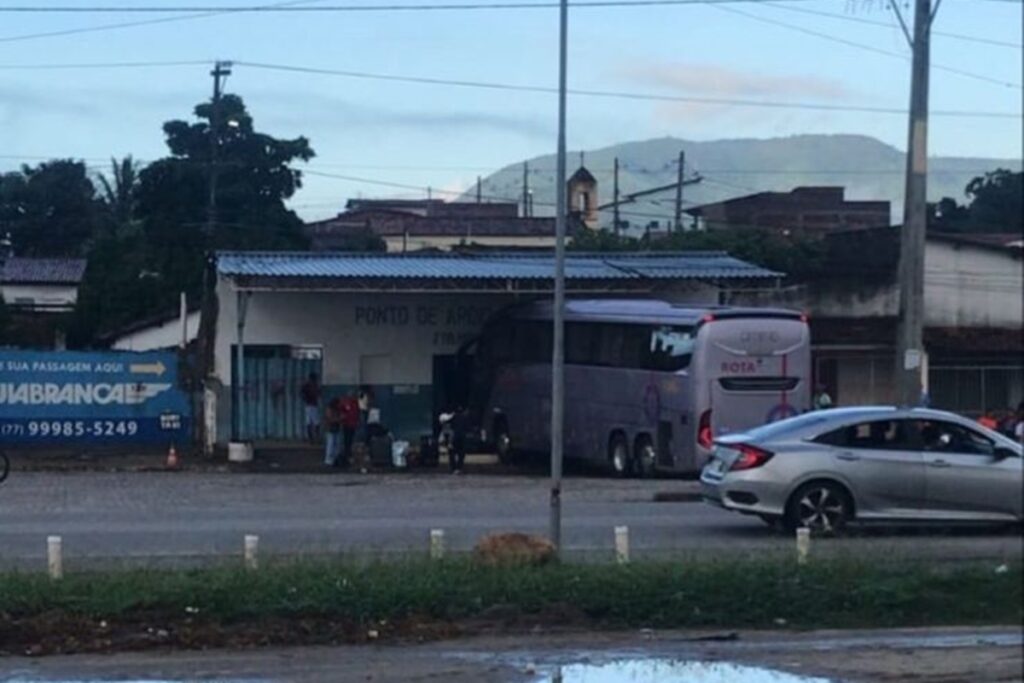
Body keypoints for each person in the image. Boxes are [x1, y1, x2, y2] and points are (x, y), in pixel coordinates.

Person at [339, 390, 360, 468]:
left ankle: (348, 455)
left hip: (352, 424)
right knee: (346, 440)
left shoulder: (355, 403)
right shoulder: (345, 402)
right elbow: (341, 409)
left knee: (350, 440)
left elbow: (357, 413)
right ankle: (346, 455)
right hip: (346, 424)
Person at [300, 373, 322, 444]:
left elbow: (301, 393)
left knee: (309, 422)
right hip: (312, 405)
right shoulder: (312, 385)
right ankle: (315, 439)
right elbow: (318, 393)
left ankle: (312, 439)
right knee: (315, 422)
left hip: (309, 405)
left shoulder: (306, 385)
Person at [448, 405, 469, 475]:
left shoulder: (454, 417)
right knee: (461, 454)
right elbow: (468, 428)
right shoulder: (465, 418)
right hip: (462, 438)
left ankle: (453, 468)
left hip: (455, 437)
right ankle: (459, 468)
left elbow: (449, 425)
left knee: (452, 452)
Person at [323, 397, 342, 467]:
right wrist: (339, 419)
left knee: (337, 444)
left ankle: (335, 459)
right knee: (330, 444)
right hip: (330, 429)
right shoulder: (329, 409)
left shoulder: (337, 410)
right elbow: (330, 419)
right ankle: (329, 460)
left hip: (336, 428)